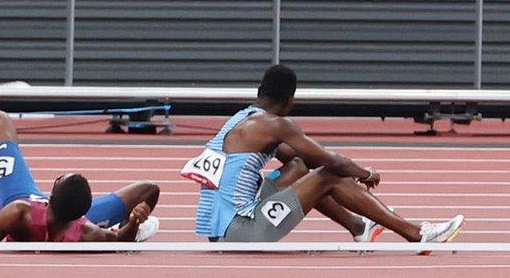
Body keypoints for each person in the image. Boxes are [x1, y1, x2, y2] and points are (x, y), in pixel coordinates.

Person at [182, 65, 464, 253]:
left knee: (299, 168)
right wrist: (365, 174)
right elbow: (333, 164)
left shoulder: (242, 119)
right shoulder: (275, 124)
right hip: (240, 233)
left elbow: (304, 161)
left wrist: (336, 173)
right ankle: (416, 234)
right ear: (290, 100)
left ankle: (360, 227)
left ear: (259, 92)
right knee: (328, 175)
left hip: (221, 228)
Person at [0, 109, 161, 242]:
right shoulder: (89, 233)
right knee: (149, 190)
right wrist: (134, 223)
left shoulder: (18, 213)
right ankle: (122, 223)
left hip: (20, 196)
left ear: (50, 197)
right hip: (71, 225)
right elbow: (119, 243)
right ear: (83, 213)